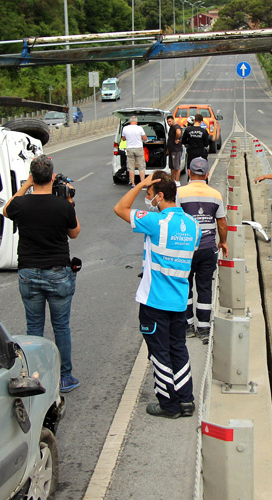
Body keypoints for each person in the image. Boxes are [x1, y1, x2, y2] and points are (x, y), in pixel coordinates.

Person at [114, 171, 201, 419]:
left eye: (150, 194)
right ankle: (186, 400)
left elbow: (120, 208)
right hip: (179, 299)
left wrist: (140, 182)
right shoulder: (193, 226)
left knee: (159, 352)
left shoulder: (155, 222)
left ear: (160, 195)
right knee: (178, 347)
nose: (148, 198)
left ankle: (168, 404)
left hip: (154, 300)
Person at [3, 155, 82, 392]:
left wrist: (25, 186)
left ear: (32, 177)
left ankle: (34, 374)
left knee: (34, 327)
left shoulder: (21, 204)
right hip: (58, 272)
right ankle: (65, 376)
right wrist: (68, 199)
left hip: (28, 272)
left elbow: (6, 210)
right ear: (51, 177)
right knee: (61, 326)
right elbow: (75, 233)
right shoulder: (62, 205)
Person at [177, 157, 228, 343]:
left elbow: (174, 219)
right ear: (207, 174)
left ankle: (187, 324)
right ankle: (204, 327)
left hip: (185, 249)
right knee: (205, 286)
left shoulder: (179, 193)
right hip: (208, 248)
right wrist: (223, 242)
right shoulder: (215, 194)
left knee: (185, 285)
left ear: (189, 173)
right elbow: (221, 222)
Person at [122, 116, 147, 186]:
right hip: (138, 148)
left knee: (131, 167)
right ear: (136, 121)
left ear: (130, 121)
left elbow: (123, 138)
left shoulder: (125, 128)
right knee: (141, 166)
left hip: (129, 148)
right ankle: (142, 183)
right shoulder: (139, 128)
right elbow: (145, 138)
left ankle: (133, 183)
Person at [167, 115, 185, 185]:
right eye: (168, 122)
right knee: (172, 167)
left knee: (176, 166)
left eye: (170, 121)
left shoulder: (176, 127)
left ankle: (177, 181)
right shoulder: (171, 127)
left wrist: (177, 139)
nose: (169, 123)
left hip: (176, 150)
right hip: (172, 150)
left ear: (173, 120)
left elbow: (178, 132)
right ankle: (173, 180)